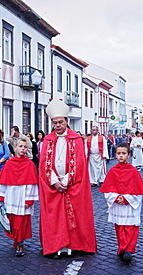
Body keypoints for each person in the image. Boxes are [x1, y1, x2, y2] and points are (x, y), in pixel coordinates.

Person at [38, 99, 97, 258]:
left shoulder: (76, 140)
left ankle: (74, 246)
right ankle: (56, 246)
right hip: (53, 185)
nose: (57, 125)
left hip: (72, 185)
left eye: (60, 122)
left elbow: (79, 164)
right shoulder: (47, 140)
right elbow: (44, 165)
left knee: (75, 216)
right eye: (54, 122)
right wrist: (55, 182)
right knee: (55, 218)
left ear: (67, 121)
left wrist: (66, 181)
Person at [99, 142, 143, 263]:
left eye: (123, 153)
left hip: (129, 205)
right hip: (118, 205)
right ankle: (122, 248)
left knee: (131, 227)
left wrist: (126, 199)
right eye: (119, 153)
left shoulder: (134, 171)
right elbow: (107, 189)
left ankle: (129, 250)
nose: (121, 156)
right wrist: (116, 198)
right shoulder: (112, 171)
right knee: (120, 227)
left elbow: (138, 192)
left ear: (129, 155)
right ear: (115, 155)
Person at [0, 138, 39, 256]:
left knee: (22, 221)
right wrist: (2, 199)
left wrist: (29, 200)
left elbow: (32, 184)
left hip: (23, 196)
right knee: (13, 220)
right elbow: (4, 182)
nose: (22, 149)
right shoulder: (9, 163)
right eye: (20, 146)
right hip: (11, 195)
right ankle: (16, 240)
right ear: (15, 148)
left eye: (25, 147)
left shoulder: (30, 164)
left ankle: (20, 243)